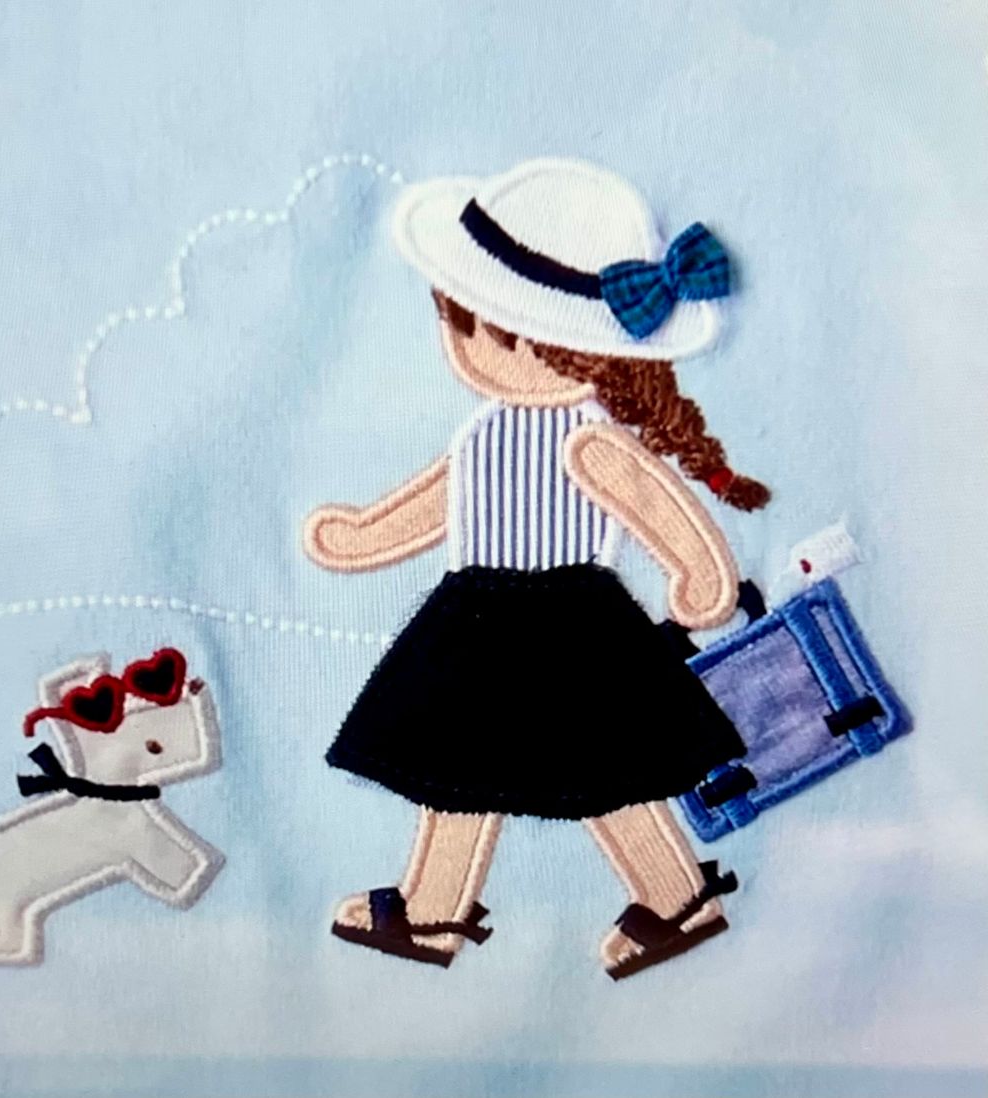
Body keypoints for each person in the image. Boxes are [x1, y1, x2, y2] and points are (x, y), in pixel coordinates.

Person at [303, 159, 770, 979]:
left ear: (550, 348)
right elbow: (445, 499)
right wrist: (362, 536)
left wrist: (703, 579)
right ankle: (435, 912)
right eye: (459, 321)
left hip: (570, 627)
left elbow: (652, 507)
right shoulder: (487, 432)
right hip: (479, 619)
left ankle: (676, 902)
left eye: (478, 326)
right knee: (460, 771)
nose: (463, 342)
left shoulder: (587, 440)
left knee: (607, 775)